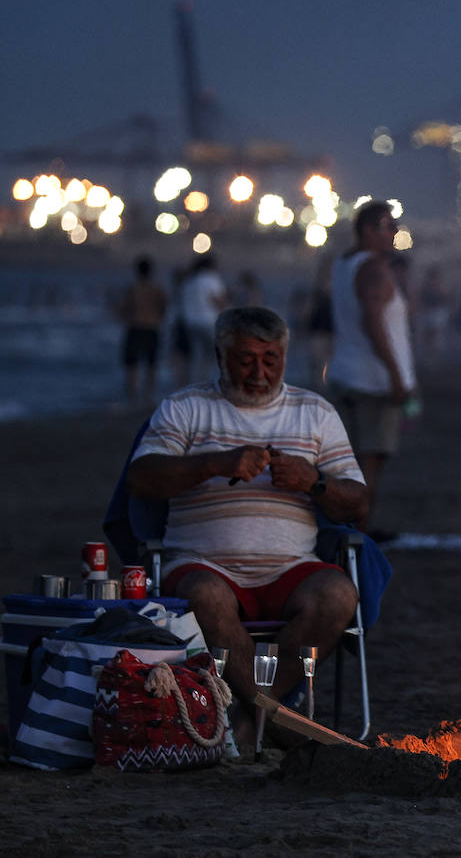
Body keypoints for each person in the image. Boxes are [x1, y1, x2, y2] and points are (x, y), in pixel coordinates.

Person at [125, 307, 368, 745]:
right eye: (245, 359)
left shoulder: (315, 412)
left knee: (337, 595)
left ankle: (250, 718)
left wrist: (313, 482)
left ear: (285, 357)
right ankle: (271, 720)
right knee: (204, 597)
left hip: (291, 567)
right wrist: (216, 462)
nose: (259, 372)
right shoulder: (186, 408)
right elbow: (141, 479)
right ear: (220, 356)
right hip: (203, 563)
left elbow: (360, 504)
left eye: (270, 359)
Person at [328, 201, 417, 532]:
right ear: (368, 230)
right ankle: (358, 534)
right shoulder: (374, 269)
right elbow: (373, 322)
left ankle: (352, 530)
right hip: (373, 382)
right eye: (388, 226)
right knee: (370, 463)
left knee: (348, 462)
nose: (395, 233)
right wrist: (396, 376)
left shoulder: (343, 263)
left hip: (347, 373)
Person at [115, 255, 167, 405]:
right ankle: (148, 396)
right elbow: (163, 308)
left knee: (132, 365)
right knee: (151, 364)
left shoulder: (133, 289)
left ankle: (132, 396)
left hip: (135, 328)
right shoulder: (157, 289)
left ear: (137, 271)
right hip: (152, 328)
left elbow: (124, 308)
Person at [181, 255, 228, 382]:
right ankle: (210, 386)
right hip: (208, 322)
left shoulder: (190, 281)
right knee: (213, 357)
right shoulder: (211, 279)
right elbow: (218, 301)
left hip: (190, 323)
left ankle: (195, 385)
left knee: (197, 357)